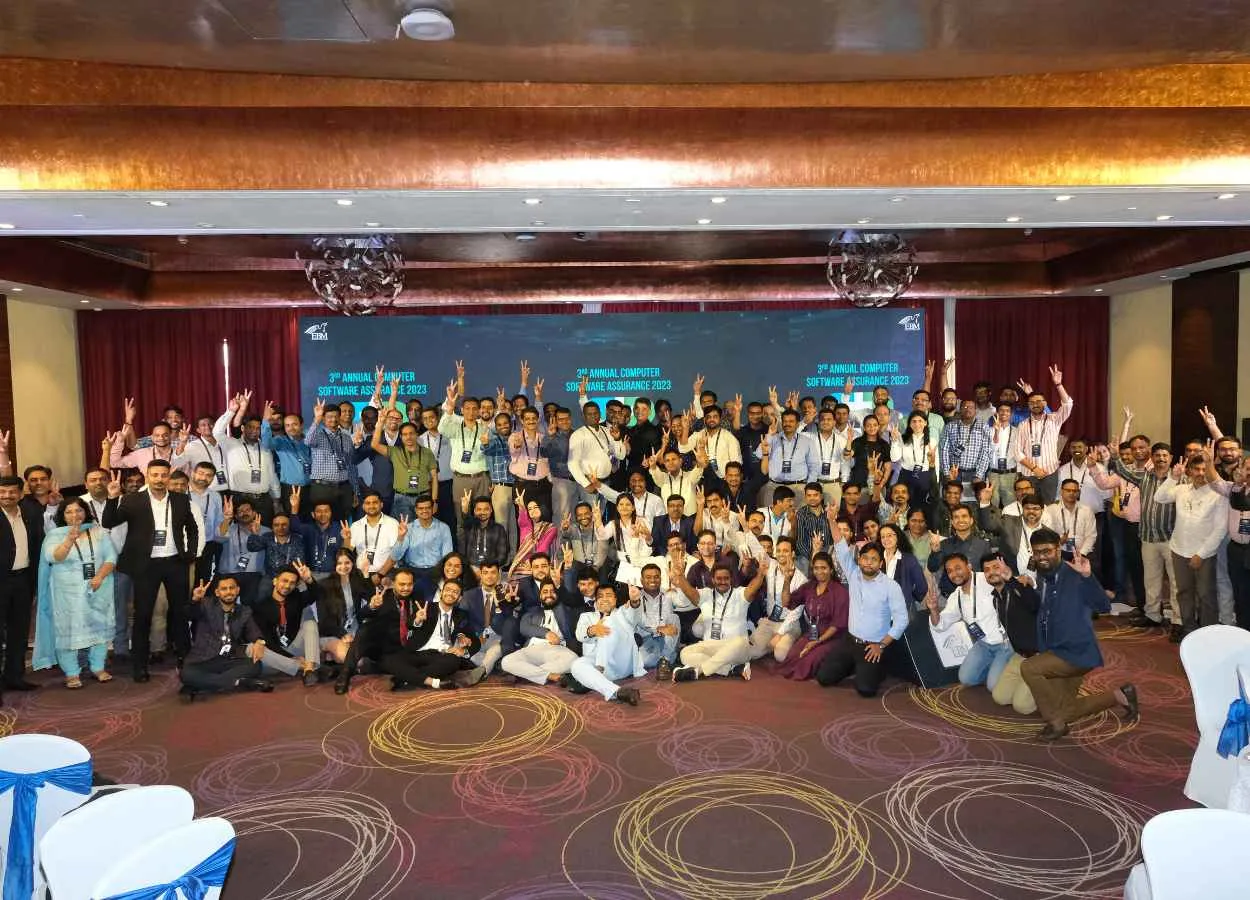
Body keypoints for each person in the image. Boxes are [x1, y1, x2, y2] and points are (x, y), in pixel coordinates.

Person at [1019, 529, 1138, 741]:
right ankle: (1121, 695)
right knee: (1064, 710)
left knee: (1029, 668)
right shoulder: (1044, 575)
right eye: (1037, 552)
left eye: (1047, 551)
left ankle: (1056, 725)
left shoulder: (1075, 573)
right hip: (1056, 651)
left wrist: (1087, 576)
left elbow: (1103, 605)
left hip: (1077, 653)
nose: (1042, 557)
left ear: (1058, 549)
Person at [102, 460, 198, 682]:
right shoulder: (132, 499)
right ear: (147, 476)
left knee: (180, 612)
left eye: (163, 475)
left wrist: (190, 554)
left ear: (169, 477)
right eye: (155, 475)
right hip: (146, 565)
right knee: (143, 615)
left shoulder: (181, 499)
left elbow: (192, 528)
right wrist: (112, 498)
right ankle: (140, 665)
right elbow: (108, 522)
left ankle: (185, 659)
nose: (159, 479)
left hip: (175, 563)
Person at [34, 497, 117, 688]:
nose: (74, 515)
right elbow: (53, 557)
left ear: (85, 512)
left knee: (99, 627)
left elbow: (111, 557)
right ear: (62, 515)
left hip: (98, 588)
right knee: (68, 630)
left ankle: (97, 667)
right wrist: (69, 540)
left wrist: (99, 577)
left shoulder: (98, 531)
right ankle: (71, 672)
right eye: (69, 511)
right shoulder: (55, 535)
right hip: (67, 593)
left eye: (79, 510)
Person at [815, 536, 909, 697]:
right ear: (859, 560)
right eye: (865, 558)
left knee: (866, 689)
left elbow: (902, 620)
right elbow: (840, 545)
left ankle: (877, 667)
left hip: (873, 646)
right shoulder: (853, 575)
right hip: (850, 640)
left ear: (881, 563)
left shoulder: (891, 587)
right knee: (824, 678)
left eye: (874, 559)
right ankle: (856, 666)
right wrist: (831, 522)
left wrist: (881, 646)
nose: (868, 562)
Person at [1153, 452, 1230, 635]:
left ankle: (1208, 633)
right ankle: (1189, 630)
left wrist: (1200, 554)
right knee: (1184, 592)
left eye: (1204, 469)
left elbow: (1220, 529)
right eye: (1197, 469)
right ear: (1190, 471)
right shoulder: (1182, 490)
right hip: (1179, 549)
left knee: (1206, 595)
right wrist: (1173, 478)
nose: (1201, 473)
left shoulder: (1218, 494)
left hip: (1204, 554)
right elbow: (1159, 497)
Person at [669, 557, 768, 683]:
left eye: (726, 578)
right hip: (712, 646)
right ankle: (731, 669)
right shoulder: (705, 594)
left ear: (731, 579)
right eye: (719, 578)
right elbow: (690, 592)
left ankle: (698, 671)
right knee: (684, 653)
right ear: (712, 579)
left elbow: (753, 588)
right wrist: (680, 576)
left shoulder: (740, 594)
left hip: (735, 649)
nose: (722, 582)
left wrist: (761, 574)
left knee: (741, 642)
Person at [928, 553, 1013, 688]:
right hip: (984, 644)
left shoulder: (986, 578)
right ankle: (997, 669)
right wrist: (933, 609)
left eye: (958, 568)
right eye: (949, 571)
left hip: (1005, 643)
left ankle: (1010, 667)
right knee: (966, 678)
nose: (954, 574)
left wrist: (1025, 579)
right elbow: (940, 625)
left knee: (993, 686)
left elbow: (1012, 582)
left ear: (969, 566)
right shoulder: (956, 596)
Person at [383, 579, 485, 691]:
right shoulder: (426, 607)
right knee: (389, 659)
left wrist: (464, 651)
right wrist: (418, 620)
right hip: (418, 652)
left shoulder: (461, 615)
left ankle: (404, 678)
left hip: (442, 656)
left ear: (459, 598)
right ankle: (434, 681)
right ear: (441, 592)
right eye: (448, 590)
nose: (450, 593)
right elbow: (410, 624)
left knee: (453, 661)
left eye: (455, 592)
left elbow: (475, 641)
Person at [179, 575, 272, 695]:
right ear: (217, 593)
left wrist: (259, 642)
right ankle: (239, 682)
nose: (228, 592)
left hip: (229, 659)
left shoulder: (244, 611)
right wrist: (195, 600)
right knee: (186, 674)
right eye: (224, 589)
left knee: (256, 665)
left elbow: (253, 630)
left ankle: (204, 684)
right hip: (204, 660)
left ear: (237, 590)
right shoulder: (207, 604)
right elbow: (188, 614)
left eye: (231, 588)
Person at [562, 584, 643, 704]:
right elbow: (580, 635)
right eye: (600, 596)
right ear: (596, 601)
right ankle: (617, 692)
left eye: (608, 595)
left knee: (608, 620)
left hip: (623, 662)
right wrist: (593, 630)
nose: (604, 599)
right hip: (602, 667)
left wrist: (635, 601)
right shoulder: (586, 616)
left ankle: (596, 671)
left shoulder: (623, 612)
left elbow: (634, 614)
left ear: (615, 599)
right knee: (576, 665)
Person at [0, 474, 45, 692]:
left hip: (23, 581)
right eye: (2, 492)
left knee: (19, 632)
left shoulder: (30, 513)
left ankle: (14, 677)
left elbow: (37, 544)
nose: (7, 496)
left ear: (20, 494)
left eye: (12, 492)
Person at [249, 564, 328, 687]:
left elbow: (318, 595)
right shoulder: (261, 607)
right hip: (276, 656)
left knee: (310, 624)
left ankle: (308, 670)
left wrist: (309, 580)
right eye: (284, 581)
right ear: (275, 581)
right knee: (251, 649)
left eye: (292, 583)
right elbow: (268, 641)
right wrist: (290, 658)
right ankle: (307, 667)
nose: (287, 586)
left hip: (294, 647)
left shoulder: (296, 598)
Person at [775, 552, 849, 680]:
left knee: (807, 662)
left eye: (824, 568)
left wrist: (817, 642)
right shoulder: (809, 587)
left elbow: (837, 625)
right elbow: (786, 603)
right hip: (812, 634)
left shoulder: (840, 592)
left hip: (832, 638)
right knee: (792, 658)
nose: (820, 571)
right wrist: (787, 580)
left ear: (831, 570)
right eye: (816, 568)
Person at [981, 553, 1040, 715]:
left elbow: (1034, 604)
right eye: (987, 570)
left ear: (1006, 568)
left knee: (1022, 707)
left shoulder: (1019, 587)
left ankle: (1056, 681)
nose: (991, 572)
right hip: (1019, 656)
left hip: (1039, 656)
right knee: (1000, 697)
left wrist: (1012, 580)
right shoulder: (996, 598)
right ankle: (1027, 681)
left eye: (996, 567)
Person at [501, 577, 580, 686]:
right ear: (540, 595)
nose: (549, 595)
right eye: (545, 592)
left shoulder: (565, 611)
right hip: (533, 649)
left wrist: (559, 592)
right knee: (506, 661)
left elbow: (568, 624)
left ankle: (524, 673)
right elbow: (524, 628)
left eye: (552, 591)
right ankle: (549, 675)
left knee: (573, 659)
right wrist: (546, 633)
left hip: (557, 649)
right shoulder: (532, 612)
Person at [1014, 365, 1073, 500]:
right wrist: (1035, 469)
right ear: (1028, 405)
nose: (1035, 404)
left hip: (1050, 473)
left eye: (1039, 401)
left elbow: (1068, 405)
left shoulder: (1054, 419)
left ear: (1045, 403)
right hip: (1029, 474)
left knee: (1048, 507)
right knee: (1029, 506)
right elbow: (1018, 452)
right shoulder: (1022, 425)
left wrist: (1058, 384)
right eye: (1032, 402)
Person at [372, 408, 438, 524]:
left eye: (411, 433)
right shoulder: (395, 451)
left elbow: (434, 478)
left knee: (422, 529)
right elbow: (375, 445)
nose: (408, 437)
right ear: (401, 437)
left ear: (417, 435)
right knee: (404, 530)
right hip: (401, 499)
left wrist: (434, 501)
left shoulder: (427, 452)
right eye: (405, 434)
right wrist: (380, 423)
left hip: (423, 499)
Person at [748, 536, 806, 663]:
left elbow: (796, 613)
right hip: (770, 621)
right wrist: (746, 529)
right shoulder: (771, 565)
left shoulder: (801, 579)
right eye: (778, 551)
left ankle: (781, 642)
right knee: (752, 653)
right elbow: (757, 548)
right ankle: (769, 644)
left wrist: (779, 634)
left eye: (785, 551)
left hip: (790, 624)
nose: (781, 554)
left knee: (780, 655)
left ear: (793, 553)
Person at [459, 561, 520, 674]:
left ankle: (482, 671)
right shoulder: (469, 595)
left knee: (495, 651)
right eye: (485, 572)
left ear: (499, 574)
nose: (489, 576)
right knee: (464, 652)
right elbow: (461, 620)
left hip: (497, 638)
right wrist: (467, 636)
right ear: (480, 574)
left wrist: (501, 605)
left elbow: (508, 624)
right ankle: (495, 664)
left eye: (493, 572)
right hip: (476, 638)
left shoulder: (507, 594)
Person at [304, 398, 358, 523]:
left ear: (340, 417)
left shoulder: (346, 438)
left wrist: (354, 490)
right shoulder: (317, 434)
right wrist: (316, 419)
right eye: (329, 417)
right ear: (324, 419)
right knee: (321, 522)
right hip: (322, 487)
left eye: (336, 416)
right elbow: (308, 441)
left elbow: (350, 465)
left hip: (344, 487)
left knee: (343, 522)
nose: (333, 419)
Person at [383, 495, 453, 588]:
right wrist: (400, 537)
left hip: (435, 571)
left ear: (433, 509)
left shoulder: (443, 528)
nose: (424, 511)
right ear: (416, 510)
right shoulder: (408, 528)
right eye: (421, 508)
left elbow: (447, 556)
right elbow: (396, 556)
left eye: (427, 508)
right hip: (412, 572)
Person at [624, 563, 681, 673]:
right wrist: (657, 629)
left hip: (667, 639)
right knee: (645, 662)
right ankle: (667, 658)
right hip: (647, 641)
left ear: (661, 579)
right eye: (648, 577)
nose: (653, 580)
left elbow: (684, 602)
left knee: (674, 618)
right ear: (641, 580)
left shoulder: (669, 594)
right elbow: (634, 622)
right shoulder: (635, 597)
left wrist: (679, 583)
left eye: (656, 577)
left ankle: (665, 659)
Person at [938, 399, 993, 490]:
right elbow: (944, 450)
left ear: (975, 411)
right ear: (960, 409)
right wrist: (947, 473)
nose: (968, 409)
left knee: (973, 498)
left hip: (975, 473)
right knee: (953, 497)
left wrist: (979, 475)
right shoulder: (950, 426)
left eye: (971, 407)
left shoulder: (983, 426)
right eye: (965, 407)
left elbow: (986, 451)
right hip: (954, 473)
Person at [507, 490, 557, 586]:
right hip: (522, 564)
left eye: (535, 507)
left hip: (540, 563)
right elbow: (523, 521)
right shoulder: (526, 526)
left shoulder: (551, 528)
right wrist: (521, 507)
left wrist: (531, 563)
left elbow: (542, 548)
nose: (533, 510)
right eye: (529, 509)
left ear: (542, 507)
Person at [1042, 479, 1098, 562]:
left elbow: (1091, 536)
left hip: (1082, 552)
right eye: (1068, 490)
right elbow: (1046, 535)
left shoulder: (1087, 511)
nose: (1071, 493)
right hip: (1058, 552)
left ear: (1078, 493)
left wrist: (1081, 554)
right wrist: (1059, 541)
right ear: (1061, 492)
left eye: (1074, 491)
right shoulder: (1051, 510)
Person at [348, 491, 400, 578]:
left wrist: (380, 574)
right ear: (363, 506)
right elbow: (347, 552)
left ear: (381, 505)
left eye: (375, 502)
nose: (371, 506)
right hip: (361, 573)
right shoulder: (355, 526)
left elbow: (396, 553)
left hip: (387, 573)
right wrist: (347, 538)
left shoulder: (393, 524)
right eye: (368, 503)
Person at [878, 522, 928, 610]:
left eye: (889, 535)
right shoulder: (877, 558)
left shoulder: (909, 559)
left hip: (902, 610)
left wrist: (909, 596)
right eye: (883, 536)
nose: (886, 539)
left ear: (898, 536)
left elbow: (921, 586)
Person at [460, 493, 511, 574]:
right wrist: (465, 510)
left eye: (486, 509)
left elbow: (502, 556)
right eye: (479, 509)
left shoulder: (499, 529)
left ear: (491, 510)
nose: (482, 512)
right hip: (471, 570)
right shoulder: (469, 527)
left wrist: (487, 569)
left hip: (491, 570)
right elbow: (466, 520)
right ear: (474, 511)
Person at [895, 411, 937, 507]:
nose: (917, 424)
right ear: (909, 424)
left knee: (922, 507)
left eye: (920, 421)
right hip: (906, 476)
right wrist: (894, 441)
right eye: (914, 421)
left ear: (925, 423)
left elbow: (936, 463)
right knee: (904, 505)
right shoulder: (903, 439)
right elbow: (894, 458)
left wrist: (935, 482)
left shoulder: (932, 441)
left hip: (925, 476)